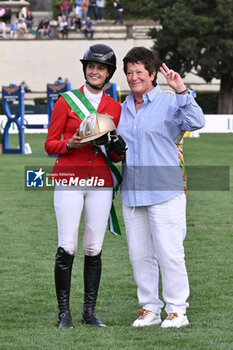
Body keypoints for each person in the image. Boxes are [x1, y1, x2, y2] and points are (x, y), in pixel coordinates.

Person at [117, 47, 205, 328]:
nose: (133, 77)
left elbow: (197, 122)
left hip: (166, 190)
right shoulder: (122, 108)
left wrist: (182, 91)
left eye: (139, 72)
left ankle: (178, 310)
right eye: (129, 72)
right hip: (133, 192)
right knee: (139, 255)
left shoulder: (169, 102)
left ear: (152, 74)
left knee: (169, 252)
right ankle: (150, 308)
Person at [45, 44, 126, 329]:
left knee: (94, 248)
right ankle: (63, 314)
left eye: (101, 68)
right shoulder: (66, 101)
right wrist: (70, 143)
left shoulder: (115, 107)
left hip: (101, 184)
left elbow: (115, 155)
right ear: (85, 70)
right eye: (91, 66)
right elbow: (49, 144)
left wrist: (119, 148)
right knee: (67, 245)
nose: (95, 71)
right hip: (69, 179)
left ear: (108, 74)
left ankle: (89, 313)